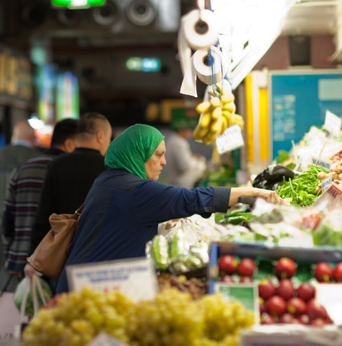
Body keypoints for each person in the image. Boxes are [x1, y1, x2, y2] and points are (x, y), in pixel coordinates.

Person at [55, 124, 282, 294]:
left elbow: (117, 221)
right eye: (158, 155)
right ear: (138, 153)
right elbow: (192, 198)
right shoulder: (136, 189)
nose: (163, 162)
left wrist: (160, 223)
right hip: (89, 289)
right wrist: (254, 192)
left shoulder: (108, 180)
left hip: (80, 280)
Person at [2, 119, 79, 276]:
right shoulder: (70, 172)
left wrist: (10, 254)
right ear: (69, 144)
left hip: (21, 258)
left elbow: (7, 218)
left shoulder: (23, 169)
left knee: (25, 301)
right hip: (56, 261)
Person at [30, 113, 112, 252]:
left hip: (61, 253)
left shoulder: (56, 165)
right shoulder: (109, 168)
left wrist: (35, 254)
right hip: (97, 251)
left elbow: (43, 216)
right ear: (100, 136)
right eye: (109, 139)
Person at [0, 121, 40, 286]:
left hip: (2, 220)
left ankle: (7, 300)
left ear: (15, 137)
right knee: (32, 263)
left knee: (6, 263)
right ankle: (29, 301)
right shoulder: (37, 157)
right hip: (31, 221)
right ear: (32, 139)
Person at [161, 123, 207, 188]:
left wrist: (192, 158)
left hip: (174, 183)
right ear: (181, 130)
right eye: (188, 130)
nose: (190, 133)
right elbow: (184, 166)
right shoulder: (179, 142)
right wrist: (197, 161)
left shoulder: (173, 140)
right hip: (181, 185)